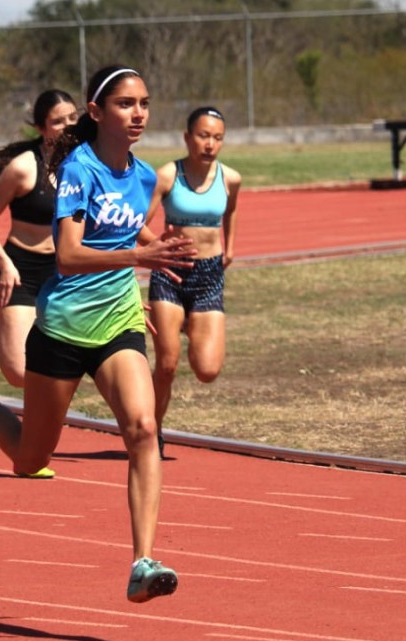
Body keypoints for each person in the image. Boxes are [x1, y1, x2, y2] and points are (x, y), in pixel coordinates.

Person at [0, 65, 194, 603]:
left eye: (144, 103)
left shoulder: (145, 176)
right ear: (97, 112)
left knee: (144, 429)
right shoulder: (76, 170)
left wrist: (158, 257)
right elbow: (71, 256)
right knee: (31, 459)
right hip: (62, 327)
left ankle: (142, 562)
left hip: (118, 324)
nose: (139, 113)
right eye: (126, 104)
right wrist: (142, 255)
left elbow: (128, 231)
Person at [143, 107, 242, 460]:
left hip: (208, 275)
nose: (210, 144)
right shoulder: (167, 175)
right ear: (187, 137)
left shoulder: (230, 178)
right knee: (167, 364)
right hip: (170, 273)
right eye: (203, 136)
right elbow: (137, 221)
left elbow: (229, 212)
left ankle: (190, 323)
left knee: (207, 370)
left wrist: (228, 249)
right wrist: (155, 247)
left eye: (217, 138)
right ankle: (150, 432)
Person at [0, 90, 78, 387]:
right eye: (58, 121)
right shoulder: (23, 168)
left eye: (73, 118)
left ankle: (39, 428)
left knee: (61, 369)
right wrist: (4, 264)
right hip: (21, 272)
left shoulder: (86, 164)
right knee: (18, 371)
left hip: (64, 271)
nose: (68, 126)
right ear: (41, 128)